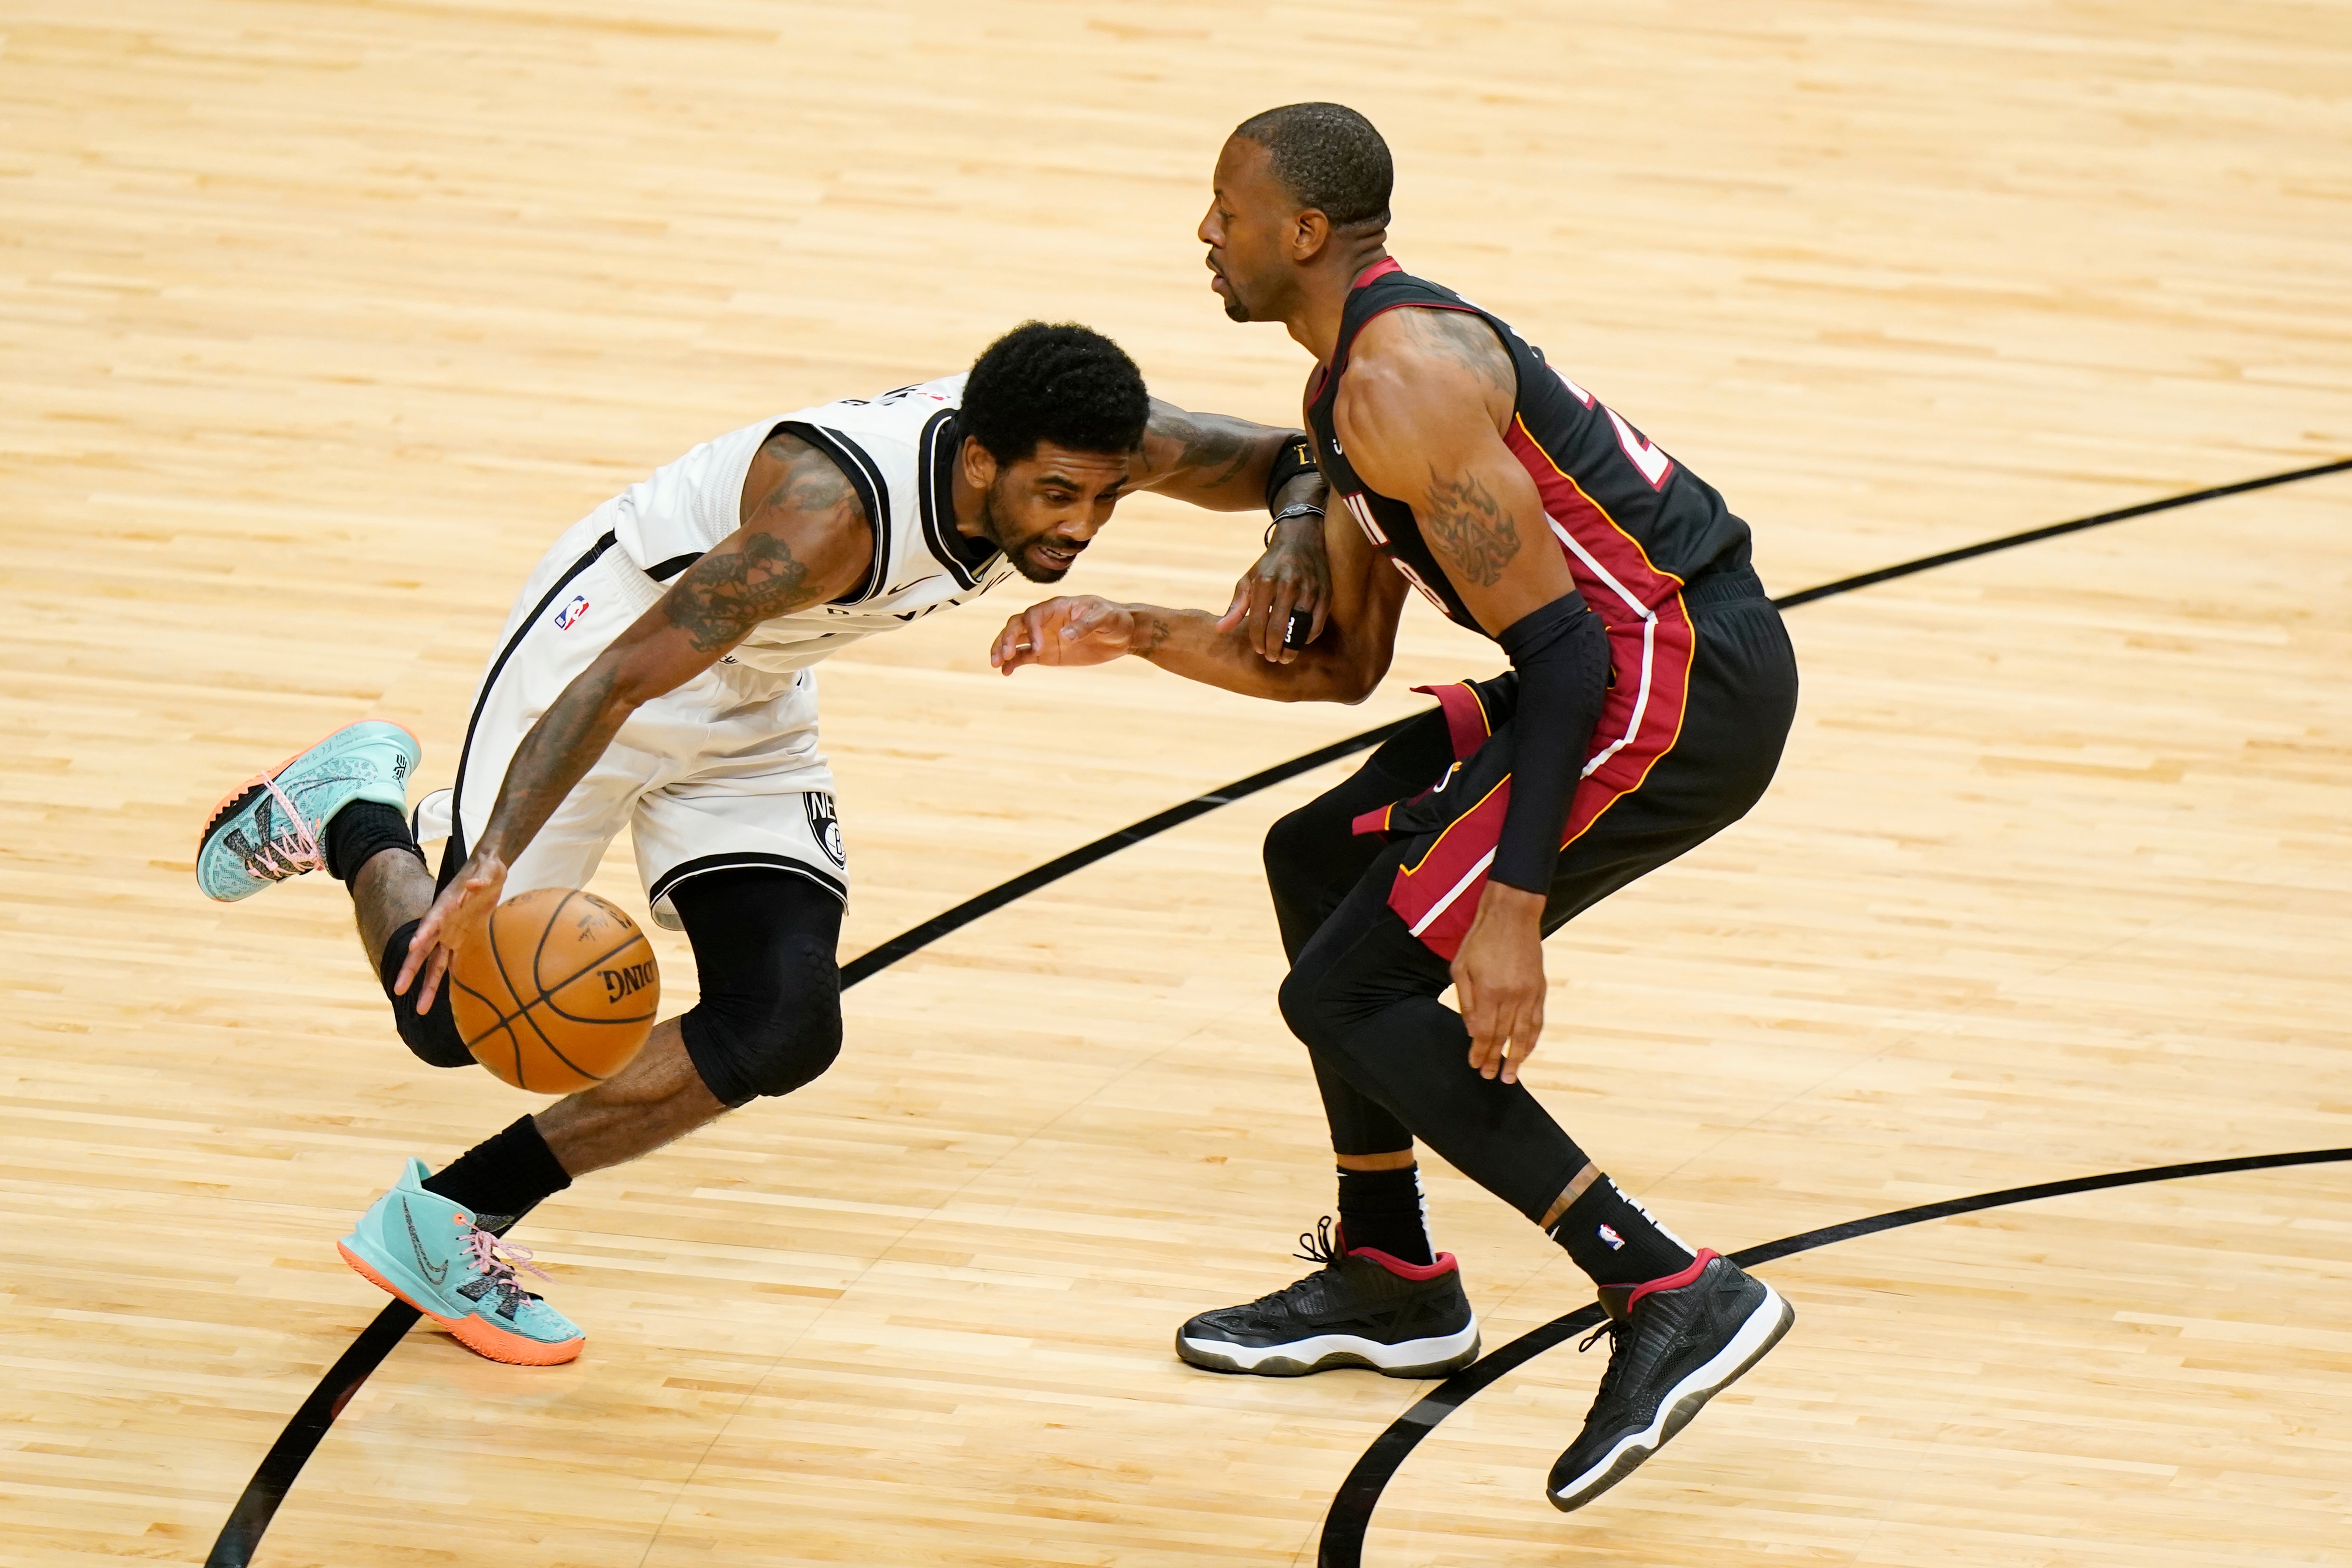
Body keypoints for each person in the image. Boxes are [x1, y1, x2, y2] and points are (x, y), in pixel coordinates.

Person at [197, 321, 1333, 1367]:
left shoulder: (1098, 435)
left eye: (1106, 497)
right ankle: (355, 814)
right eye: (1057, 496)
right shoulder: (825, 518)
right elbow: (614, 682)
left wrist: (1292, 535)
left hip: (754, 690)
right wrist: (490, 860)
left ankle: (447, 1214)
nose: (1081, 525)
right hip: (606, 658)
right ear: (981, 460)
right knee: (449, 1021)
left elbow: (1294, 457)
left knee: (784, 1022)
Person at [989, 108, 1802, 1512]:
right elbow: (1341, 667)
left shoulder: (1401, 378)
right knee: (1313, 856)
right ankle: (1390, 1271)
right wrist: (1134, 626)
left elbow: (1566, 653)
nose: (1206, 232)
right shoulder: (1340, 397)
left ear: (1304, 231)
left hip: (1664, 682)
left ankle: (1664, 1282)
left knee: (1347, 992)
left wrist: (1510, 907)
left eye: (1226, 208)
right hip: (1622, 672)